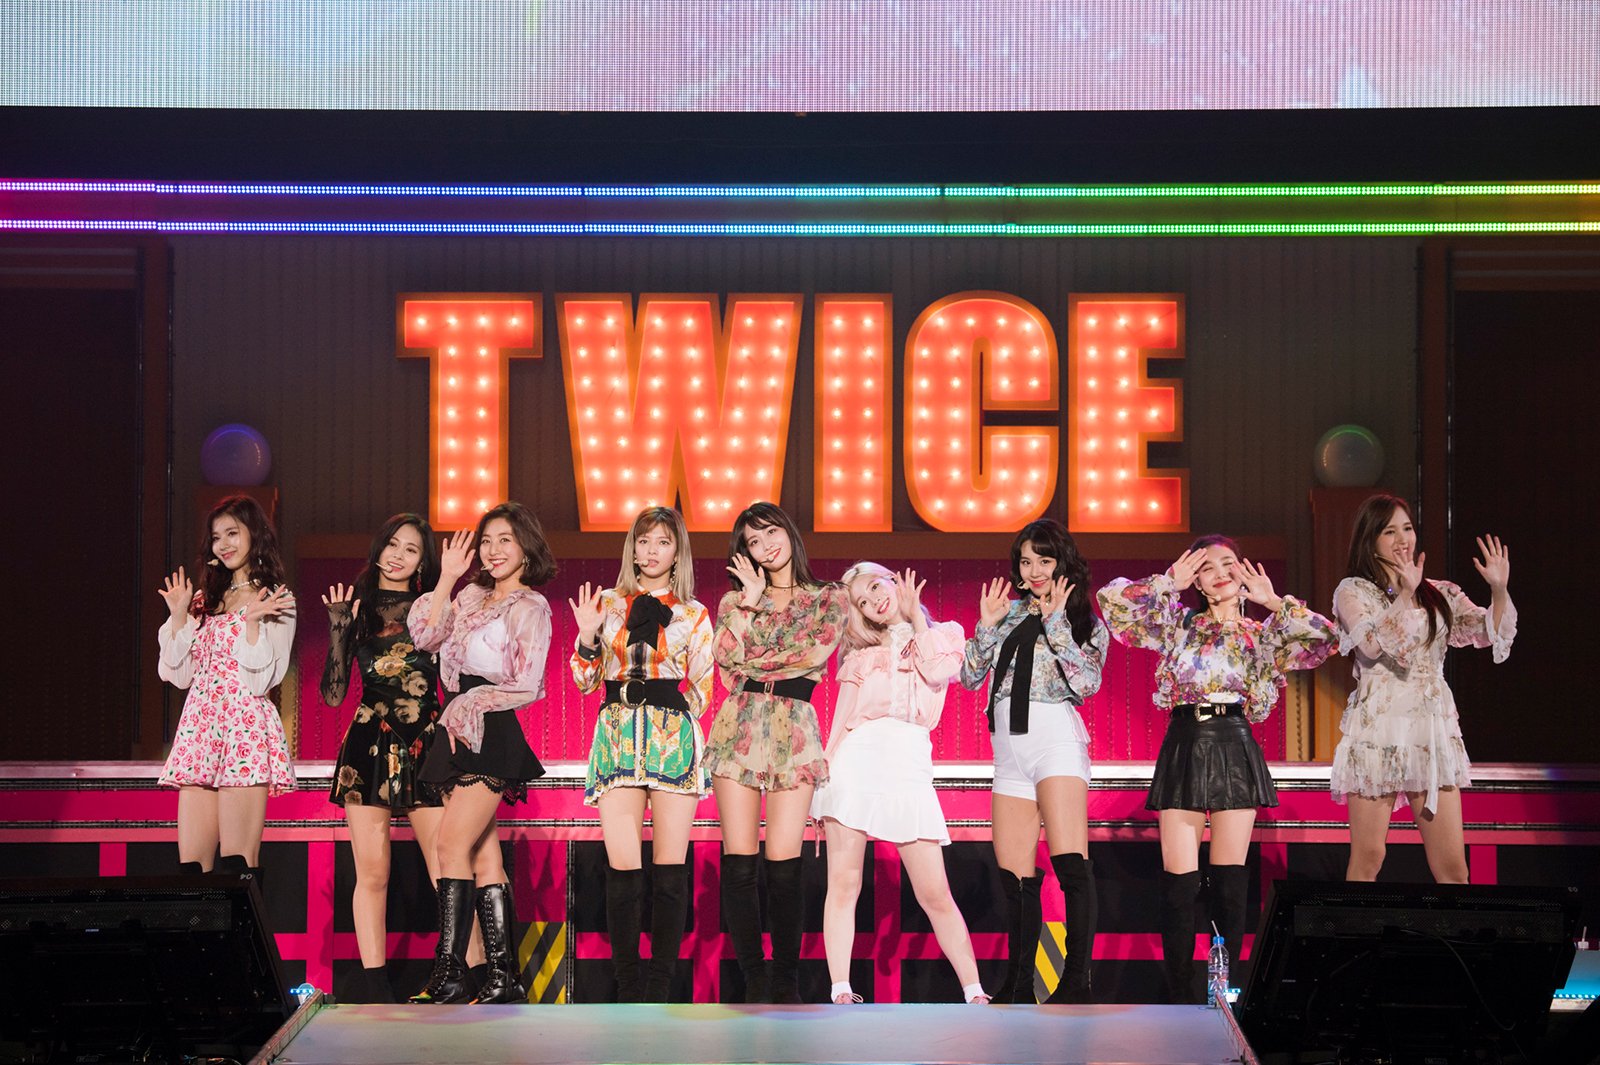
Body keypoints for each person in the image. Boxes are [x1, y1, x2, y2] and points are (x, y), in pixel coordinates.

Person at [1099, 536, 1335, 1002]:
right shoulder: (1177, 624)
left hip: (1233, 744)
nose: (1221, 572)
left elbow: (1327, 639)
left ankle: (1224, 992)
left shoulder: (1261, 633)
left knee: (1229, 882)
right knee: (1179, 885)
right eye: (1208, 567)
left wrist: (1274, 602)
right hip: (1185, 742)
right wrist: (1168, 582)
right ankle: (1181, 995)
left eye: (1229, 563)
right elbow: (1112, 606)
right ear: (1198, 581)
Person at [812, 563, 989, 1005]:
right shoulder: (859, 656)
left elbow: (938, 672)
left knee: (934, 892)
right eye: (862, 602)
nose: (874, 602)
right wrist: (824, 773)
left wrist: (915, 618)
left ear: (893, 580)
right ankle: (840, 988)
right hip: (856, 761)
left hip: (908, 762)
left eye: (876, 587)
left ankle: (974, 991)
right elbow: (843, 720)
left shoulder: (943, 634)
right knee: (845, 882)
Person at [322, 513, 479, 1003]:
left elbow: (456, 677)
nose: (397, 555)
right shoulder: (358, 606)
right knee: (372, 873)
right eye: (392, 544)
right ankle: (376, 989)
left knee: (448, 868)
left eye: (410, 549)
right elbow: (332, 695)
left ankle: (474, 978)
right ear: (378, 549)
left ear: (422, 562)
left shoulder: (438, 606)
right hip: (369, 743)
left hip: (425, 743)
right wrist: (338, 628)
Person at [407, 502, 556, 1004]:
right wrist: (447, 579)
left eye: (504, 540)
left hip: (489, 727)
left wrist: (470, 702)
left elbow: (528, 684)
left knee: (450, 847)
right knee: (483, 855)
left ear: (525, 547)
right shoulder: (469, 596)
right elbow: (425, 637)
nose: (493, 550)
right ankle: (502, 979)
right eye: (486, 540)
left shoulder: (530, 606)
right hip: (456, 726)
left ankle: (450, 974)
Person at [960, 519, 1108, 1003]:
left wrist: (1057, 622)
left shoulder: (1086, 621)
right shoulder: (1006, 614)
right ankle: (1019, 985)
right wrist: (986, 627)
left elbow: (1086, 683)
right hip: (1008, 752)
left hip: (1055, 743)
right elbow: (969, 677)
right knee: (1014, 876)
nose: (1035, 570)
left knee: (1069, 862)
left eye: (1044, 560)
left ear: (1064, 563)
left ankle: (1076, 981)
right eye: (1026, 561)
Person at [1330, 494, 1515, 884]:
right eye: (1390, 531)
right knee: (1368, 858)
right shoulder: (1353, 591)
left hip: (1431, 733)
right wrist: (1403, 595)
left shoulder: (1439, 592)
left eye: (1408, 528)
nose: (1403, 539)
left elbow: (1487, 632)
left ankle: (1455, 928)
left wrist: (1499, 589)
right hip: (1378, 732)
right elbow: (1371, 645)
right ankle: (1353, 925)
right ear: (1370, 539)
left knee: (1452, 867)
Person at [569, 506, 713, 1002]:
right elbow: (584, 681)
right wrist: (587, 637)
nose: (651, 551)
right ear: (632, 549)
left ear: (677, 553)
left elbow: (702, 688)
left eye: (662, 542)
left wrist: (669, 719)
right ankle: (628, 987)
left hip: (672, 739)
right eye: (644, 541)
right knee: (624, 870)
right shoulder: (606, 604)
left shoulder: (694, 613)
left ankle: (660, 988)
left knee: (670, 872)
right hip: (616, 736)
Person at [706, 501, 848, 1003]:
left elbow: (813, 651)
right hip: (738, 725)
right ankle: (754, 979)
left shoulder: (829, 597)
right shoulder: (734, 600)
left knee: (785, 864)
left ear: (789, 532)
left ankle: (786, 980)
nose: (765, 545)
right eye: (753, 541)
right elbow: (725, 658)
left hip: (795, 731)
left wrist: (756, 656)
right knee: (740, 863)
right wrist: (750, 602)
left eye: (770, 533)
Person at [158, 494, 295, 879]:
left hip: (243, 728)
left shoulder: (276, 599)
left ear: (255, 534)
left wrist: (251, 624)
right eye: (216, 537)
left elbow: (264, 680)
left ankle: (243, 924)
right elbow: (178, 676)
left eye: (232, 533)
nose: (224, 544)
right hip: (200, 728)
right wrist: (179, 616)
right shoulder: (202, 601)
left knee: (238, 866)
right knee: (191, 868)